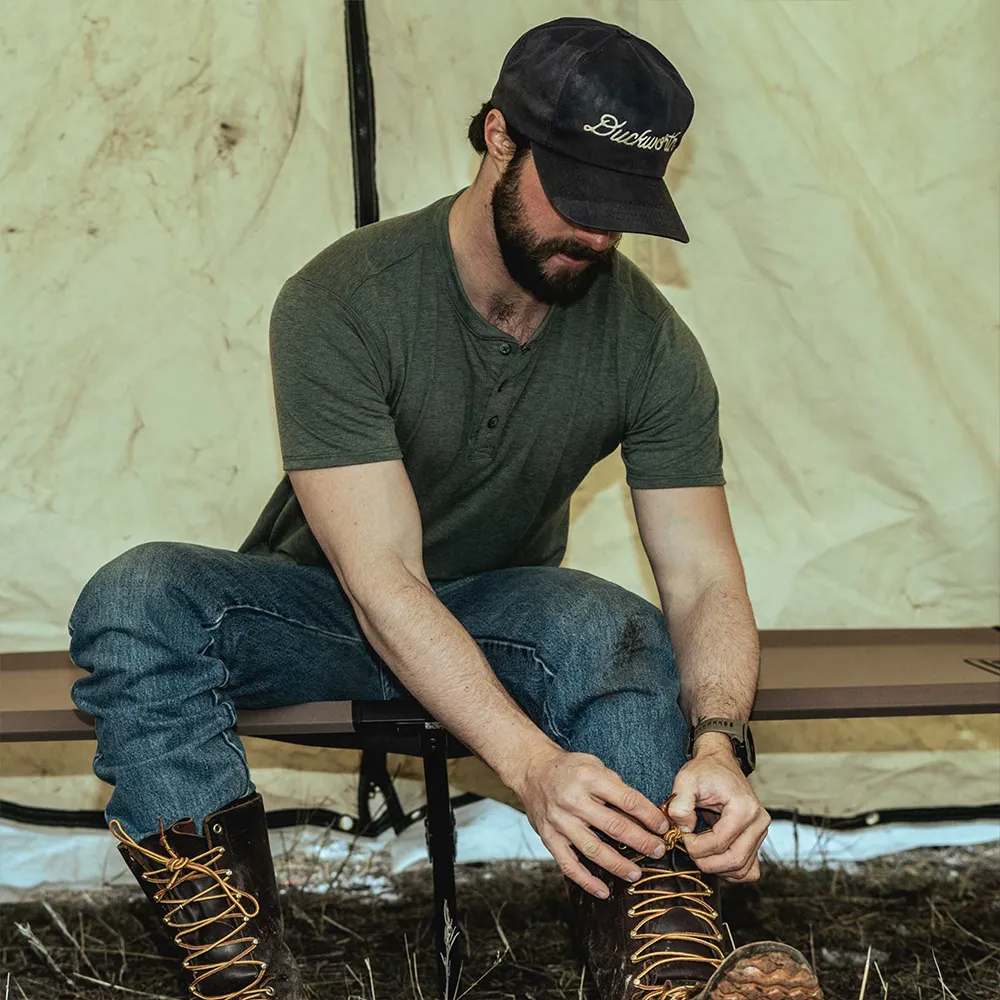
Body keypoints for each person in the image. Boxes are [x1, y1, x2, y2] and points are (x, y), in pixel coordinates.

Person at [68, 16, 824, 1000]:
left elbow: (704, 576)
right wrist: (531, 763)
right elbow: (379, 577)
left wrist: (720, 739)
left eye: (620, 208)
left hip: (499, 613)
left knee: (629, 634)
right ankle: (243, 980)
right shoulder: (343, 298)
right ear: (497, 135)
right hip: (320, 608)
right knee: (135, 597)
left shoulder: (649, 342)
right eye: (576, 196)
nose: (595, 235)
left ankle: (663, 977)